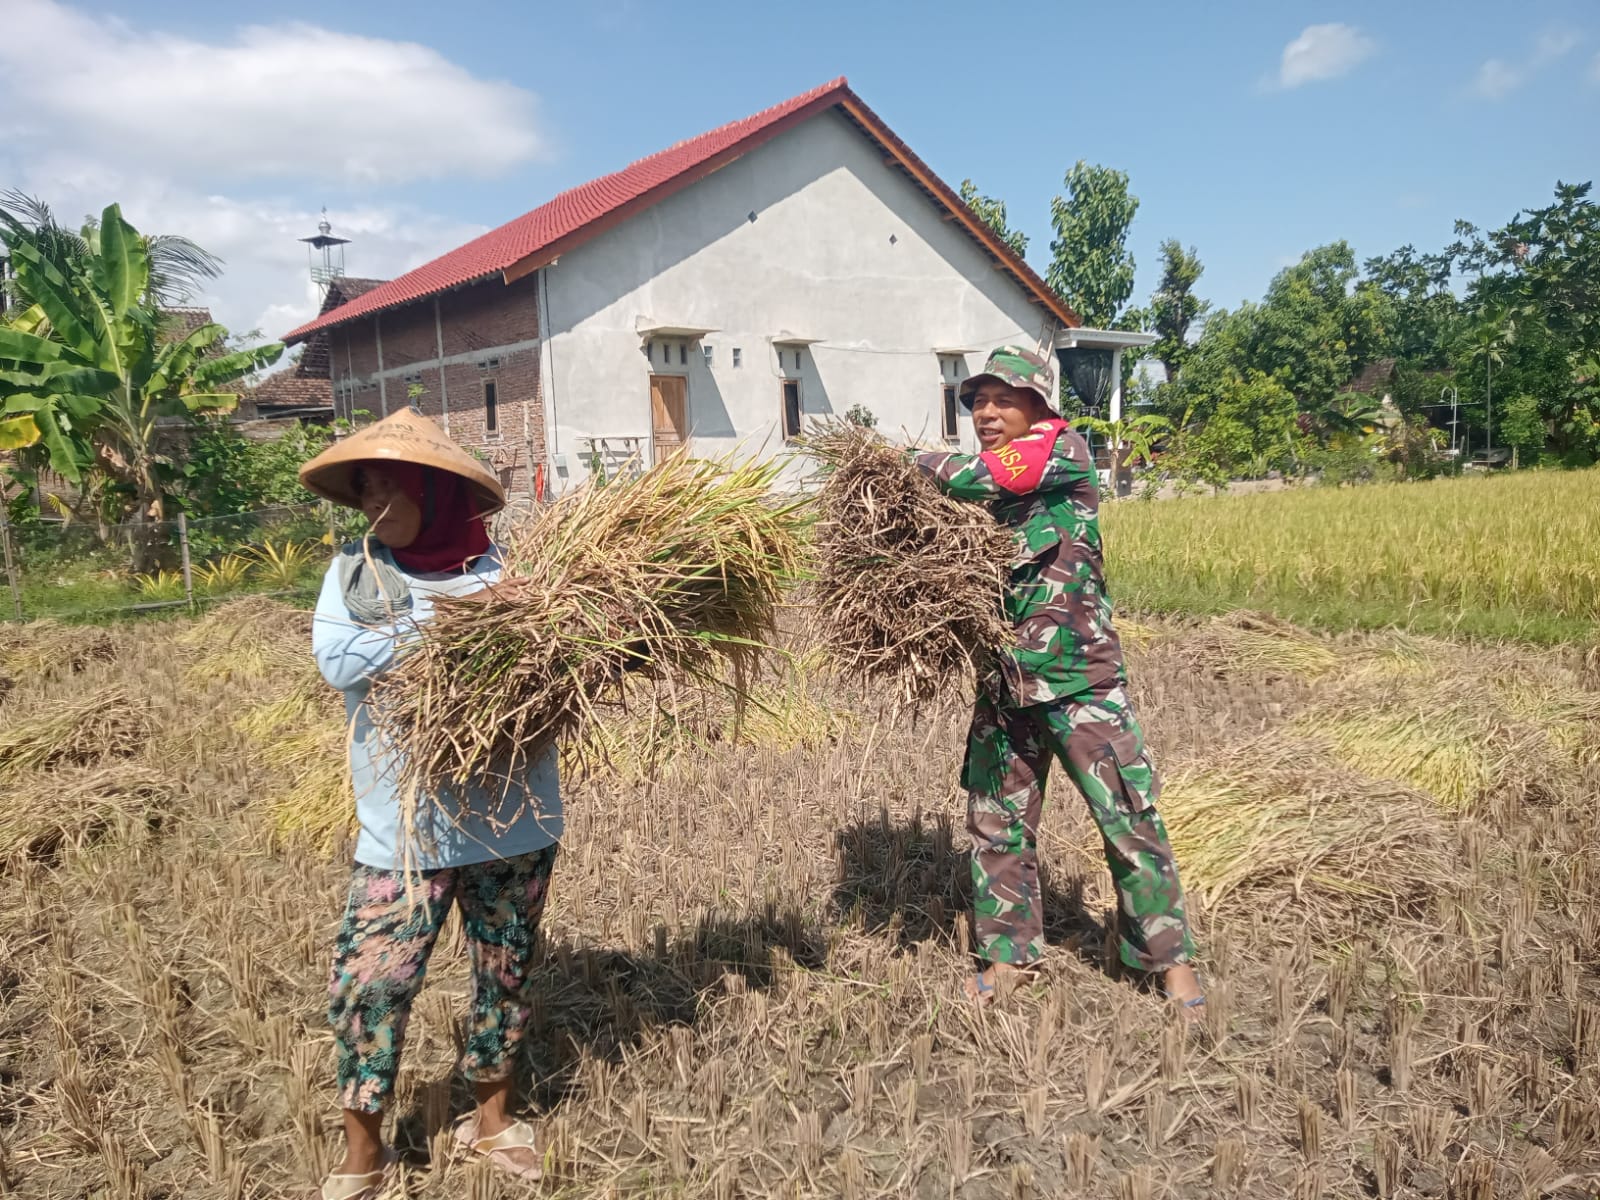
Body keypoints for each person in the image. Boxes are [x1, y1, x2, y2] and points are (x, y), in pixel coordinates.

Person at [299, 410, 563, 1199]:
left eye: (388, 485)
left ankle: (493, 1122)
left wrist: (512, 618)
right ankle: (364, 1156)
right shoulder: (358, 576)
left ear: (435, 490)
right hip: (405, 832)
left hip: (514, 819)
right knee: (369, 988)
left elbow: (567, 659)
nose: (371, 501)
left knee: (504, 975)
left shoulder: (513, 573)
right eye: (364, 487)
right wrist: (454, 622)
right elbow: (339, 659)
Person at [911, 346, 1204, 1017]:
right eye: (978, 402)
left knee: (1127, 819)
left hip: (1080, 683)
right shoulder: (986, 500)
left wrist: (898, 461)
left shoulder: (1059, 451)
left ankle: (1169, 963)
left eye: (1002, 400)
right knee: (996, 824)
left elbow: (968, 474)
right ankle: (1007, 957)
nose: (986, 413)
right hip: (1005, 684)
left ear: (1038, 406)